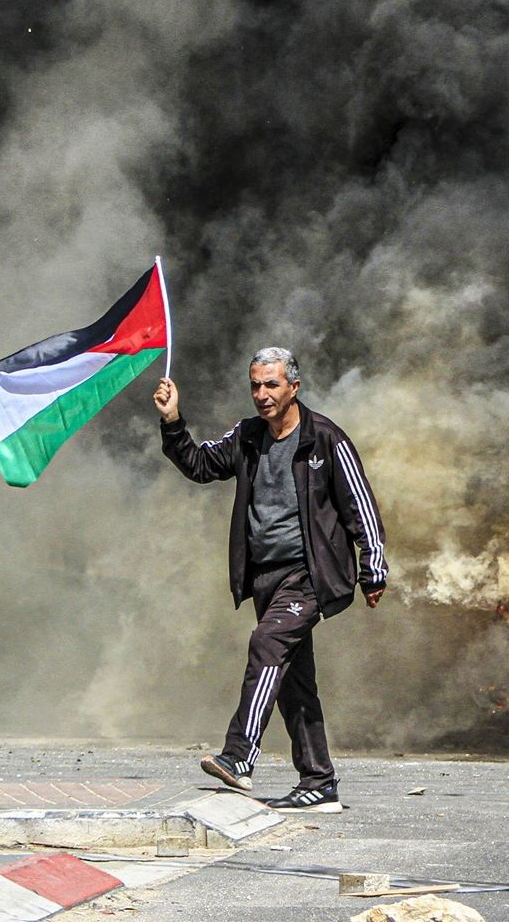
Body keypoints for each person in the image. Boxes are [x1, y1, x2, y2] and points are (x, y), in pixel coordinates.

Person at [155, 347, 388, 813]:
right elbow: (201, 466)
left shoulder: (325, 439)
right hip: (265, 576)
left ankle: (240, 756)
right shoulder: (247, 436)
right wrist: (173, 421)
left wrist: (373, 568)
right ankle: (319, 782)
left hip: (310, 575)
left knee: (266, 645)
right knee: (294, 681)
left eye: (272, 385)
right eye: (256, 385)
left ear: (294, 387)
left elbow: (360, 504)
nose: (262, 395)